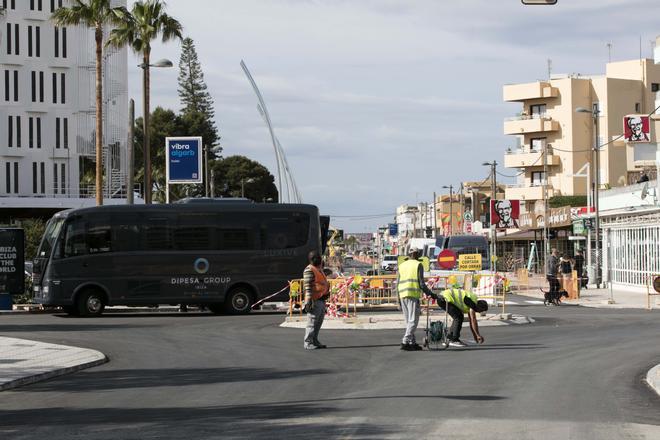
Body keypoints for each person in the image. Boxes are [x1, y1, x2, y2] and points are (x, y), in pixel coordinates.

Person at [397, 247, 434, 351]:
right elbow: (421, 283)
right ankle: (405, 340)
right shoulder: (418, 265)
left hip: (402, 294)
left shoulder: (402, 265)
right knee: (413, 320)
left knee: (408, 320)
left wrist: (397, 300)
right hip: (412, 294)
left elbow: (397, 283)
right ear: (417, 254)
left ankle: (411, 343)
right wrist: (430, 294)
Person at [303, 251, 330, 350]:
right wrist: (308, 301)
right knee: (312, 322)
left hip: (321, 299)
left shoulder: (319, 269)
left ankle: (315, 340)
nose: (320, 259)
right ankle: (308, 342)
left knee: (318, 322)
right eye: (318, 258)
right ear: (312, 259)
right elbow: (308, 287)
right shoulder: (309, 270)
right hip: (314, 300)